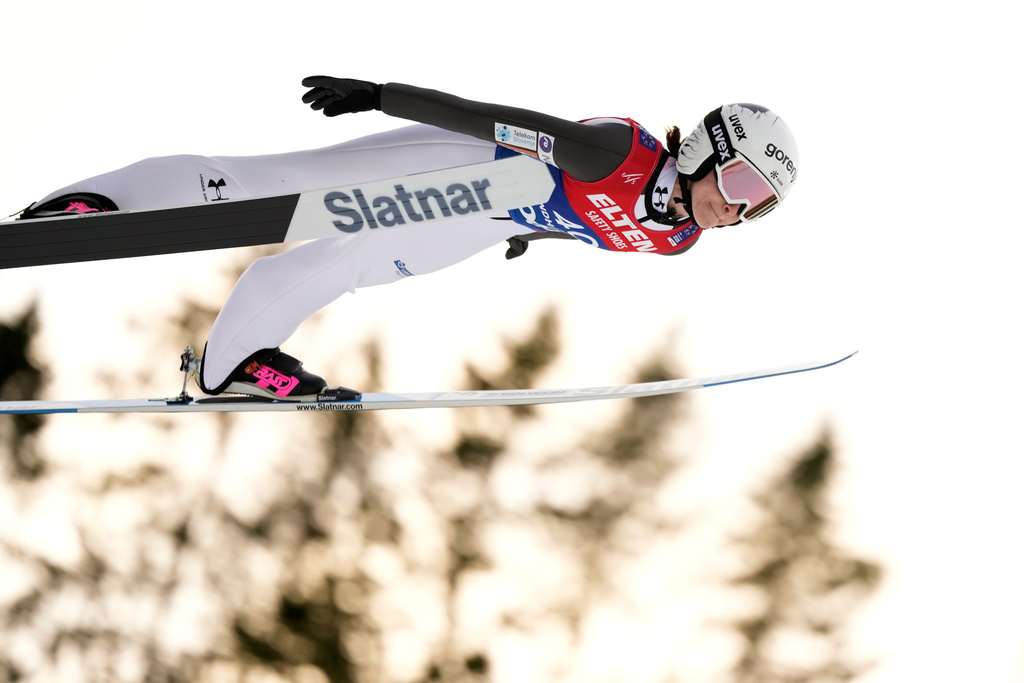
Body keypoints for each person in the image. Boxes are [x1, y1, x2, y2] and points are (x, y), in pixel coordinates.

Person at [18, 77, 799, 401]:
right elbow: (493, 119)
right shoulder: (618, 152)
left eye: (758, 206)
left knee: (347, 263)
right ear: (706, 149)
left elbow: (588, 224)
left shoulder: (675, 242)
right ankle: (94, 207)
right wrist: (381, 93)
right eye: (739, 185)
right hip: (471, 160)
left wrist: (533, 235)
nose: (737, 210)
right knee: (273, 184)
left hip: (485, 221)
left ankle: (231, 364)